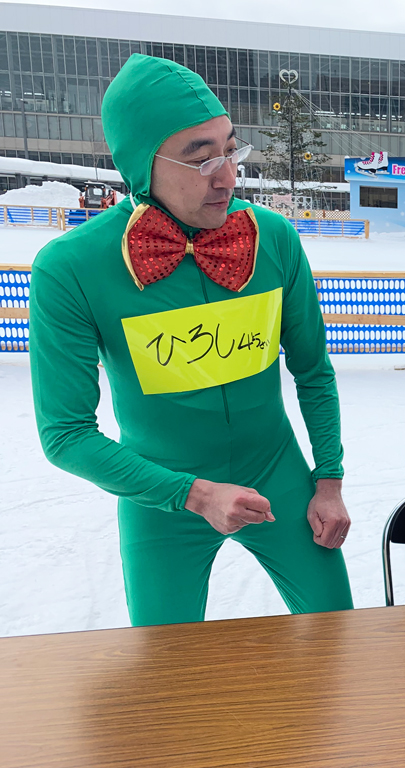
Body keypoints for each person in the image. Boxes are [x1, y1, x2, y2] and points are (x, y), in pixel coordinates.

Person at [30, 54, 353, 626]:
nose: (228, 176)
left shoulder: (273, 238)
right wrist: (195, 495)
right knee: (166, 674)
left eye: (232, 149)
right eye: (201, 159)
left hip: (277, 470)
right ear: (138, 165)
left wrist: (327, 481)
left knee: (338, 638)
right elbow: (65, 435)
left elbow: (313, 370)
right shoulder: (71, 267)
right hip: (162, 493)